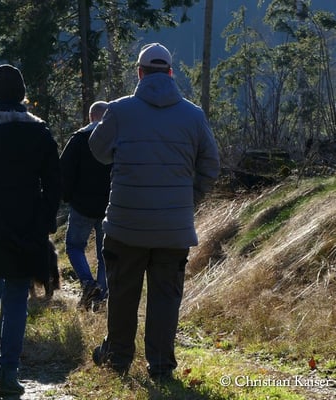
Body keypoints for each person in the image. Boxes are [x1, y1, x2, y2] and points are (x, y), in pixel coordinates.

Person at [88, 43, 220, 381]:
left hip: (125, 223)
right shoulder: (193, 115)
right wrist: (188, 199)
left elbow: (97, 150)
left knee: (122, 293)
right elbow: (211, 165)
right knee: (165, 298)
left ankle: (117, 358)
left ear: (140, 72)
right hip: (173, 228)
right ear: (171, 73)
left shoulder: (119, 111)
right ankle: (160, 366)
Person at [0, 64, 60, 398]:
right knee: (18, 295)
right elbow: (54, 183)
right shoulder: (40, 131)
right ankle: (9, 373)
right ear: (22, 94)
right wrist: (44, 222)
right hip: (27, 225)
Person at [59, 101, 112, 311]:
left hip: (82, 205)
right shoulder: (116, 140)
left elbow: (64, 170)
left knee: (74, 246)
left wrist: (67, 196)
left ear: (91, 117)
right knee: (104, 253)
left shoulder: (79, 139)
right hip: (110, 206)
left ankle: (88, 283)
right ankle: (101, 297)